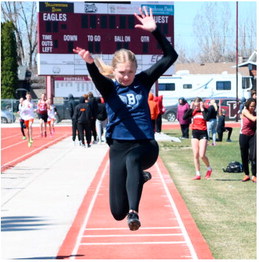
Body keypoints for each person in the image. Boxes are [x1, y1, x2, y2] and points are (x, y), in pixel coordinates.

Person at [73, 7, 178, 231]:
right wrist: (90, 63)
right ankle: (137, 184)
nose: (126, 76)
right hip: (118, 148)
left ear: (135, 69)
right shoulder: (110, 89)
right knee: (116, 211)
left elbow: (171, 57)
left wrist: (156, 31)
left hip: (145, 146)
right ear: (115, 70)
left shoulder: (143, 81)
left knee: (133, 164)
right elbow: (97, 79)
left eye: (130, 71)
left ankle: (134, 213)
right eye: (122, 72)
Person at [183, 97, 212, 180]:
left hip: (203, 133)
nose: (196, 107)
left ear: (201, 104)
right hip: (195, 133)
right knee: (195, 154)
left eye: (198, 106)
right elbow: (184, 117)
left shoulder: (205, 111)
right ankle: (198, 174)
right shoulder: (193, 111)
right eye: (195, 106)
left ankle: (209, 169)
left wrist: (202, 108)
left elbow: (207, 118)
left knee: (202, 155)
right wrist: (191, 108)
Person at [239, 98, 256, 183]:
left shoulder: (255, 113)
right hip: (243, 135)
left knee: (254, 156)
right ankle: (246, 174)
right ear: (248, 105)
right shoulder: (245, 111)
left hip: (252, 136)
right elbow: (253, 119)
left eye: (254, 106)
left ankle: (254, 175)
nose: (253, 108)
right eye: (251, 106)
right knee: (244, 155)